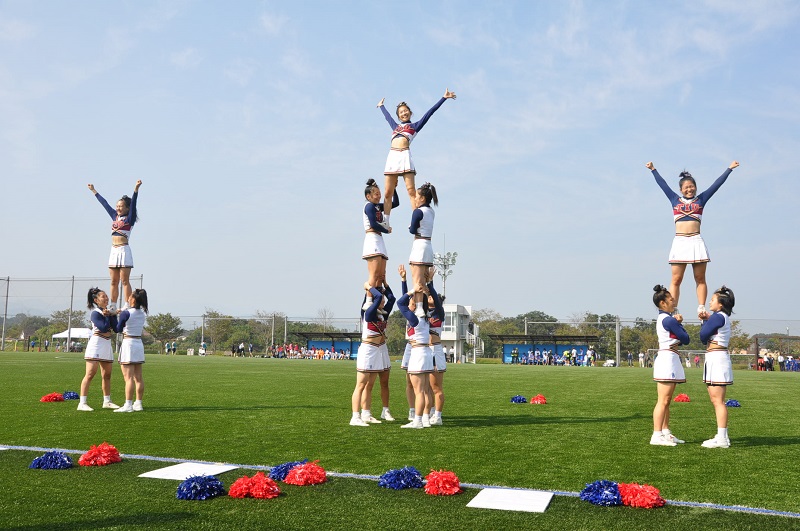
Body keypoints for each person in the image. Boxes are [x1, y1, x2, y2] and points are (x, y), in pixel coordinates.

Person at [646, 161, 739, 318]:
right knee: (676, 279)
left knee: (700, 278)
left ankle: (701, 308)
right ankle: (673, 308)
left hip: (695, 240)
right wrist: (653, 170)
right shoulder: (674, 200)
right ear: (681, 189)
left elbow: (717, 184)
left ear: (695, 187)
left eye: (692, 186)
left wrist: (729, 169)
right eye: (686, 187)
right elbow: (663, 185)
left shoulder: (701, 200)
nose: (689, 189)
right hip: (680, 241)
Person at [376, 88, 456, 226]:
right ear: (399, 116)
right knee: (388, 192)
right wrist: (381, 106)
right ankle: (386, 221)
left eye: (405, 110)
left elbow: (429, 113)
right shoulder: (395, 126)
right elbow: (387, 117)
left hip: (405, 156)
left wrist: (444, 98)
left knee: (411, 191)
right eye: (401, 112)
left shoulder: (414, 126)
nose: (404, 113)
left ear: (410, 112)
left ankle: (415, 221)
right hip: (392, 157)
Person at [88, 180, 142, 309]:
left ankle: (127, 304)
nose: (118, 208)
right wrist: (94, 191)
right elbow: (104, 204)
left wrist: (136, 189)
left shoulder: (130, 218)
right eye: (117, 206)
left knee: (124, 281)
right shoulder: (114, 216)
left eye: (121, 206)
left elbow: (134, 204)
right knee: (113, 281)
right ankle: (112, 305)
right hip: (114, 251)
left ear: (127, 208)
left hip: (124, 250)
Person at [350, 282, 395, 426]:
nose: (383, 301)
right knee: (361, 385)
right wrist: (369, 287)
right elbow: (375, 298)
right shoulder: (368, 313)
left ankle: (366, 414)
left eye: (383, 299)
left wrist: (386, 286)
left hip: (378, 349)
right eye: (381, 299)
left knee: (370, 385)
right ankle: (355, 417)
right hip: (368, 350)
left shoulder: (383, 314)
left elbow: (392, 299)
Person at [650, 285, 690, 446]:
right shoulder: (668, 320)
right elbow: (686, 339)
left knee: (666, 400)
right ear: (662, 303)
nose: (673, 301)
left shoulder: (666, 318)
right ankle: (656, 434)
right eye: (670, 299)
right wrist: (679, 323)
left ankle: (665, 432)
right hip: (667, 359)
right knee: (663, 400)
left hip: (670, 358)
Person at [699, 285, 736, 448]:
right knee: (716, 400)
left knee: (718, 401)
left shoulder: (717, 316)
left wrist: (705, 320)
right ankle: (722, 436)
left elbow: (702, 336)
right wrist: (707, 320)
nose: (709, 302)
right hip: (715, 357)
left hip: (717, 358)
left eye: (712, 299)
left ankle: (721, 439)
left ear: (720, 304)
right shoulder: (720, 316)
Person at [397, 282, 434, 429]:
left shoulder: (415, 319)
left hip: (418, 353)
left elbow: (400, 303)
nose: (410, 301)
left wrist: (412, 291)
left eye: (413, 300)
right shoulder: (425, 317)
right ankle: (424, 419)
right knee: (424, 390)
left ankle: (417, 421)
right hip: (425, 353)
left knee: (419, 391)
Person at [78, 287, 121, 412]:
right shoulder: (95, 313)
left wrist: (115, 315)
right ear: (96, 300)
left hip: (107, 344)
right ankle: (82, 402)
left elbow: (117, 329)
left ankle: (107, 401)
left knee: (107, 375)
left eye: (106, 296)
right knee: (90, 374)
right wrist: (108, 316)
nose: (106, 298)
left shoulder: (107, 312)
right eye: (103, 297)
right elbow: (103, 327)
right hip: (96, 344)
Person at [362, 179, 398, 308]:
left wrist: (393, 188)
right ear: (368, 196)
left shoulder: (377, 206)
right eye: (376, 193)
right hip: (372, 238)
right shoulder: (369, 206)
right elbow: (373, 223)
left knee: (381, 275)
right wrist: (386, 230)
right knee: (374, 274)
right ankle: (369, 301)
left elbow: (395, 203)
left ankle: (378, 303)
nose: (379, 195)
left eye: (379, 193)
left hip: (380, 239)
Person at [112, 288, 148, 412]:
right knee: (138, 377)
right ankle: (139, 403)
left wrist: (114, 316)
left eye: (130, 296)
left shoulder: (126, 313)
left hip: (128, 343)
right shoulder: (142, 313)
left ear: (133, 299)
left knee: (128, 378)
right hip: (138, 343)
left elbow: (118, 329)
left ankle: (128, 405)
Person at [408, 182, 438, 317]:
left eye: (417, 196)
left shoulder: (418, 211)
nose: (415, 199)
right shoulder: (431, 211)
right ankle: (425, 308)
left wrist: (410, 226)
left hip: (419, 245)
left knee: (417, 280)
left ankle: (420, 308)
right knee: (424, 280)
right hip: (428, 246)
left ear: (422, 199)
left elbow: (412, 230)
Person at [426, 269, 446, 426]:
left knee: (436, 387)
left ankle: (438, 416)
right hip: (425, 350)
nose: (429, 298)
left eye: (432, 296)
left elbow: (434, 298)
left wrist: (430, 282)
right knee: (425, 386)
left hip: (436, 350)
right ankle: (431, 411)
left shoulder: (439, 313)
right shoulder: (424, 312)